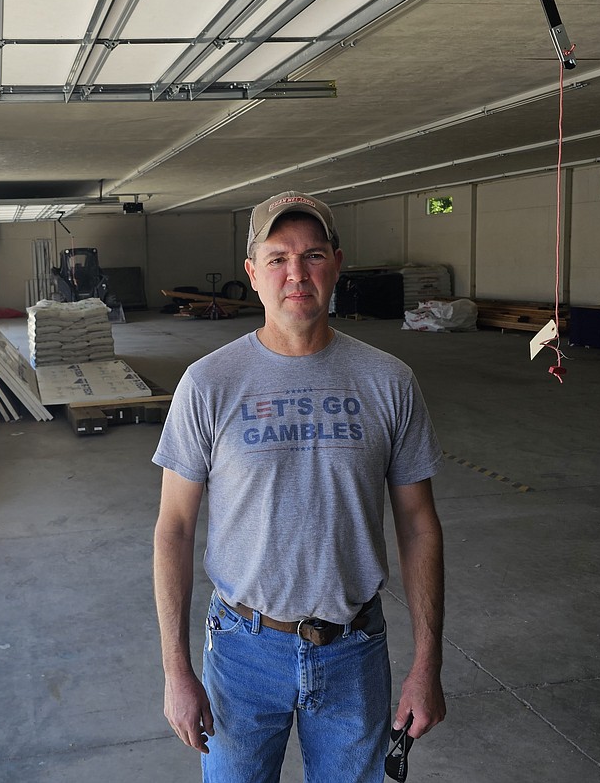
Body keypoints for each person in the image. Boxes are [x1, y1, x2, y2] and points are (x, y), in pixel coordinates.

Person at [152, 191, 445, 782]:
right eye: (278, 257)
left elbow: (419, 525)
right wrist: (176, 671)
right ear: (252, 273)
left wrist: (426, 665)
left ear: (336, 263)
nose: (296, 273)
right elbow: (174, 528)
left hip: (354, 653)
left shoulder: (388, 380)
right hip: (241, 653)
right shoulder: (208, 383)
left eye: (312, 256)